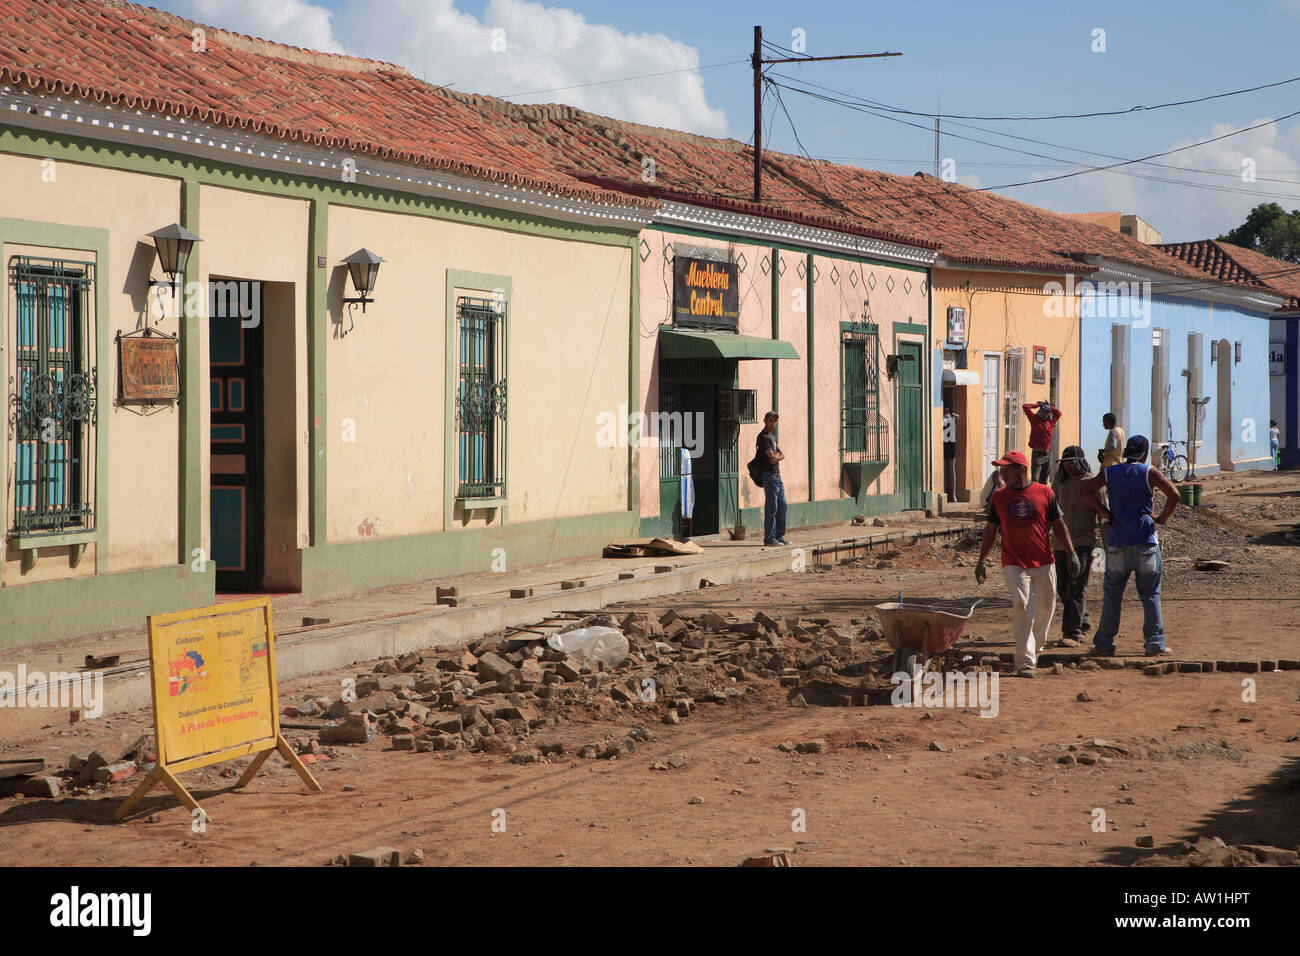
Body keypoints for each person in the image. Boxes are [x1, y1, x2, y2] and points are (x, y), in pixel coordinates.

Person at [975, 450, 1080, 678]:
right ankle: (1025, 663)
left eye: (1006, 469)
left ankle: (1035, 648)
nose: (1001, 473)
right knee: (1022, 606)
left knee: (1046, 608)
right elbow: (991, 530)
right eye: (1000, 468)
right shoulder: (999, 497)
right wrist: (982, 559)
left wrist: (1071, 552)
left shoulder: (1045, 492)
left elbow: (1059, 524)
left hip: (1043, 560)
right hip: (1013, 562)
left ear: (1021, 470)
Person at [1080, 435, 1180, 657]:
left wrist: (1104, 511)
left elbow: (1085, 491)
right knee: (1150, 595)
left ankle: (1104, 643)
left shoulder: (1110, 472)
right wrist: (1161, 519)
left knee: (1112, 596)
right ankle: (1154, 643)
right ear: (1144, 454)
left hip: (1117, 543)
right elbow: (1174, 494)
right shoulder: (1149, 472)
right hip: (1145, 541)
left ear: (1126, 453)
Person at [1051, 445, 1102, 644]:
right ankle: (1084, 620)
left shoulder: (1092, 484)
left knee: (1076, 586)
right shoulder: (1059, 484)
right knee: (1062, 588)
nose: (1068, 468)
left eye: (1071, 464)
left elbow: (1102, 514)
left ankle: (1071, 633)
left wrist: (1107, 546)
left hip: (1082, 542)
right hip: (1060, 542)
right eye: (1065, 465)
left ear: (1080, 463)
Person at [758, 411, 788, 546]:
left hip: (777, 475)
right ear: (765, 421)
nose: (773, 423)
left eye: (775, 421)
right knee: (772, 507)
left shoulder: (773, 437)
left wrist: (777, 457)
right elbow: (772, 459)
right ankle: (769, 538)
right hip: (769, 475)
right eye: (770, 420)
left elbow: (782, 454)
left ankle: (779, 536)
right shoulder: (763, 437)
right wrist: (776, 457)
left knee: (783, 505)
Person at [1022, 400, 1063, 484]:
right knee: (1035, 480)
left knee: (1044, 480)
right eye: (1044, 411)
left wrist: (1049, 406)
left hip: (1047, 455)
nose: (1046, 413)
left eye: (1048, 412)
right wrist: (1037, 405)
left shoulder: (1050, 422)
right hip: (1037, 455)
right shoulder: (1035, 420)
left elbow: (1059, 413)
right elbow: (1025, 407)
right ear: (1041, 411)